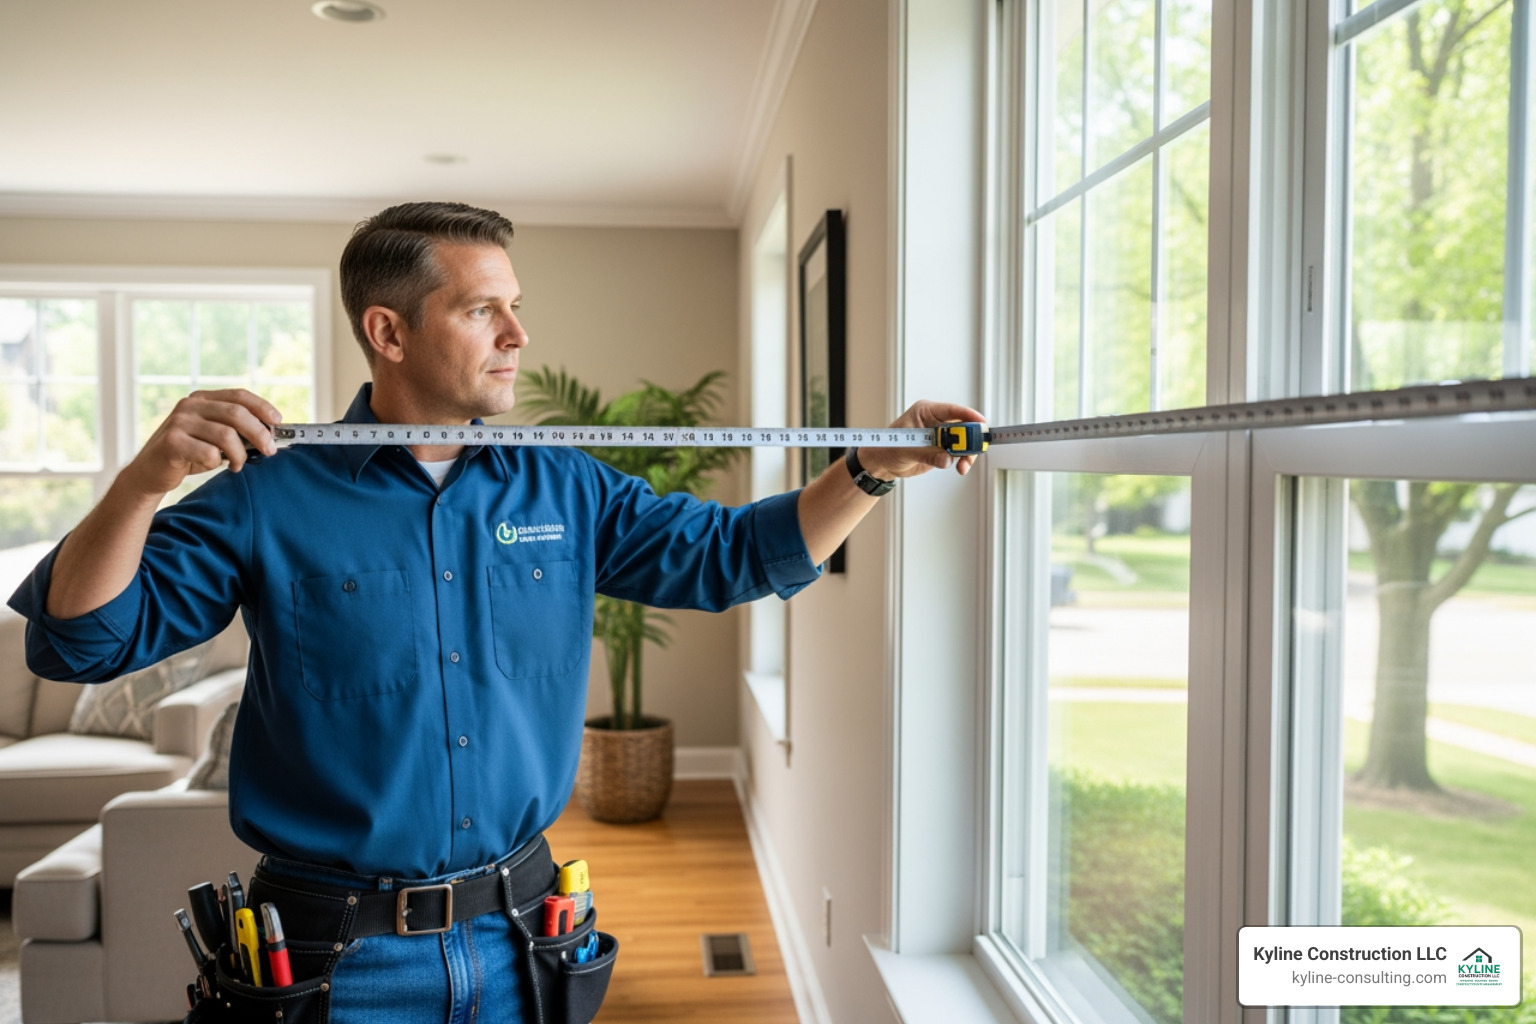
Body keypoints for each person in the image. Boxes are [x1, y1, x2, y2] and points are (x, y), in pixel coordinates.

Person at [7, 202, 984, 1023]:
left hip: (527, 938)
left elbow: (733, 559)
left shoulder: (563, 487)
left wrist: (868, 469)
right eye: (485, 311)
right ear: (389, 332)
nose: (520, 337)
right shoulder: (269, 494)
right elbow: (80, 640)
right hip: (329, 960)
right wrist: (142, 483)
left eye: (516, 308)